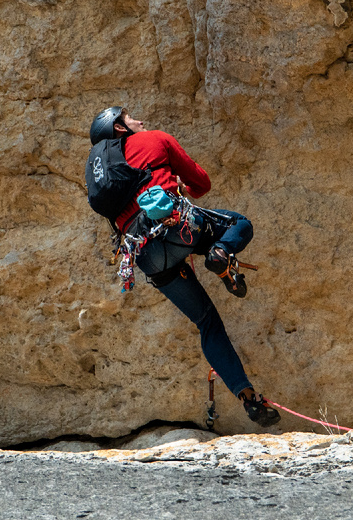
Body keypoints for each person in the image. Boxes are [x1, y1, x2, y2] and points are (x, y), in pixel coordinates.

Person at [88, 105, 280, 427]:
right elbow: (201, 183)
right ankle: (220, 253)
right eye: (130, 118)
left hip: (148, 256)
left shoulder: (106, 179)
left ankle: (248, 398)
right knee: (240, 224)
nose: (139, 121)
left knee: (207, 323)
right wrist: (181, 186)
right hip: (179, 226)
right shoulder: (154, 139)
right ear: (119, 128)